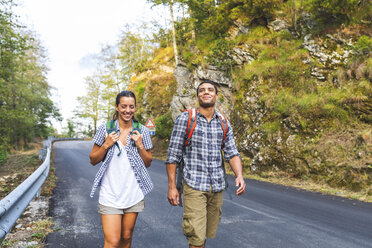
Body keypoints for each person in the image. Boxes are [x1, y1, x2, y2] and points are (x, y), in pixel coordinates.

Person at [165, 79, 246, 248]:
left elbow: (232, 152)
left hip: (217, 186)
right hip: (193, 185)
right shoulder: (186, 119)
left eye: (210, 90)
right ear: (198, 96)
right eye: (202, 90)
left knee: (205, 234)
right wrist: (172, 187)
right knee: (196, 237)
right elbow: (173, 155)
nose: (206, 92)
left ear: (216, 96)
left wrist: (239, 175)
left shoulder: (223, 123)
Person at [89, 90, 153, 248]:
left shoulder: (142, 131)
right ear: (117, 107)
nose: (128, 110)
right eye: (124, 106)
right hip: (110, 194)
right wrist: (106, 144)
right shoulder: (105, 129)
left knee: (126, 237)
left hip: (133, 193)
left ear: (135, 108)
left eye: (131, 107)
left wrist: (140, 145)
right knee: (112, 241)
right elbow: (93, 159)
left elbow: (148, 162)